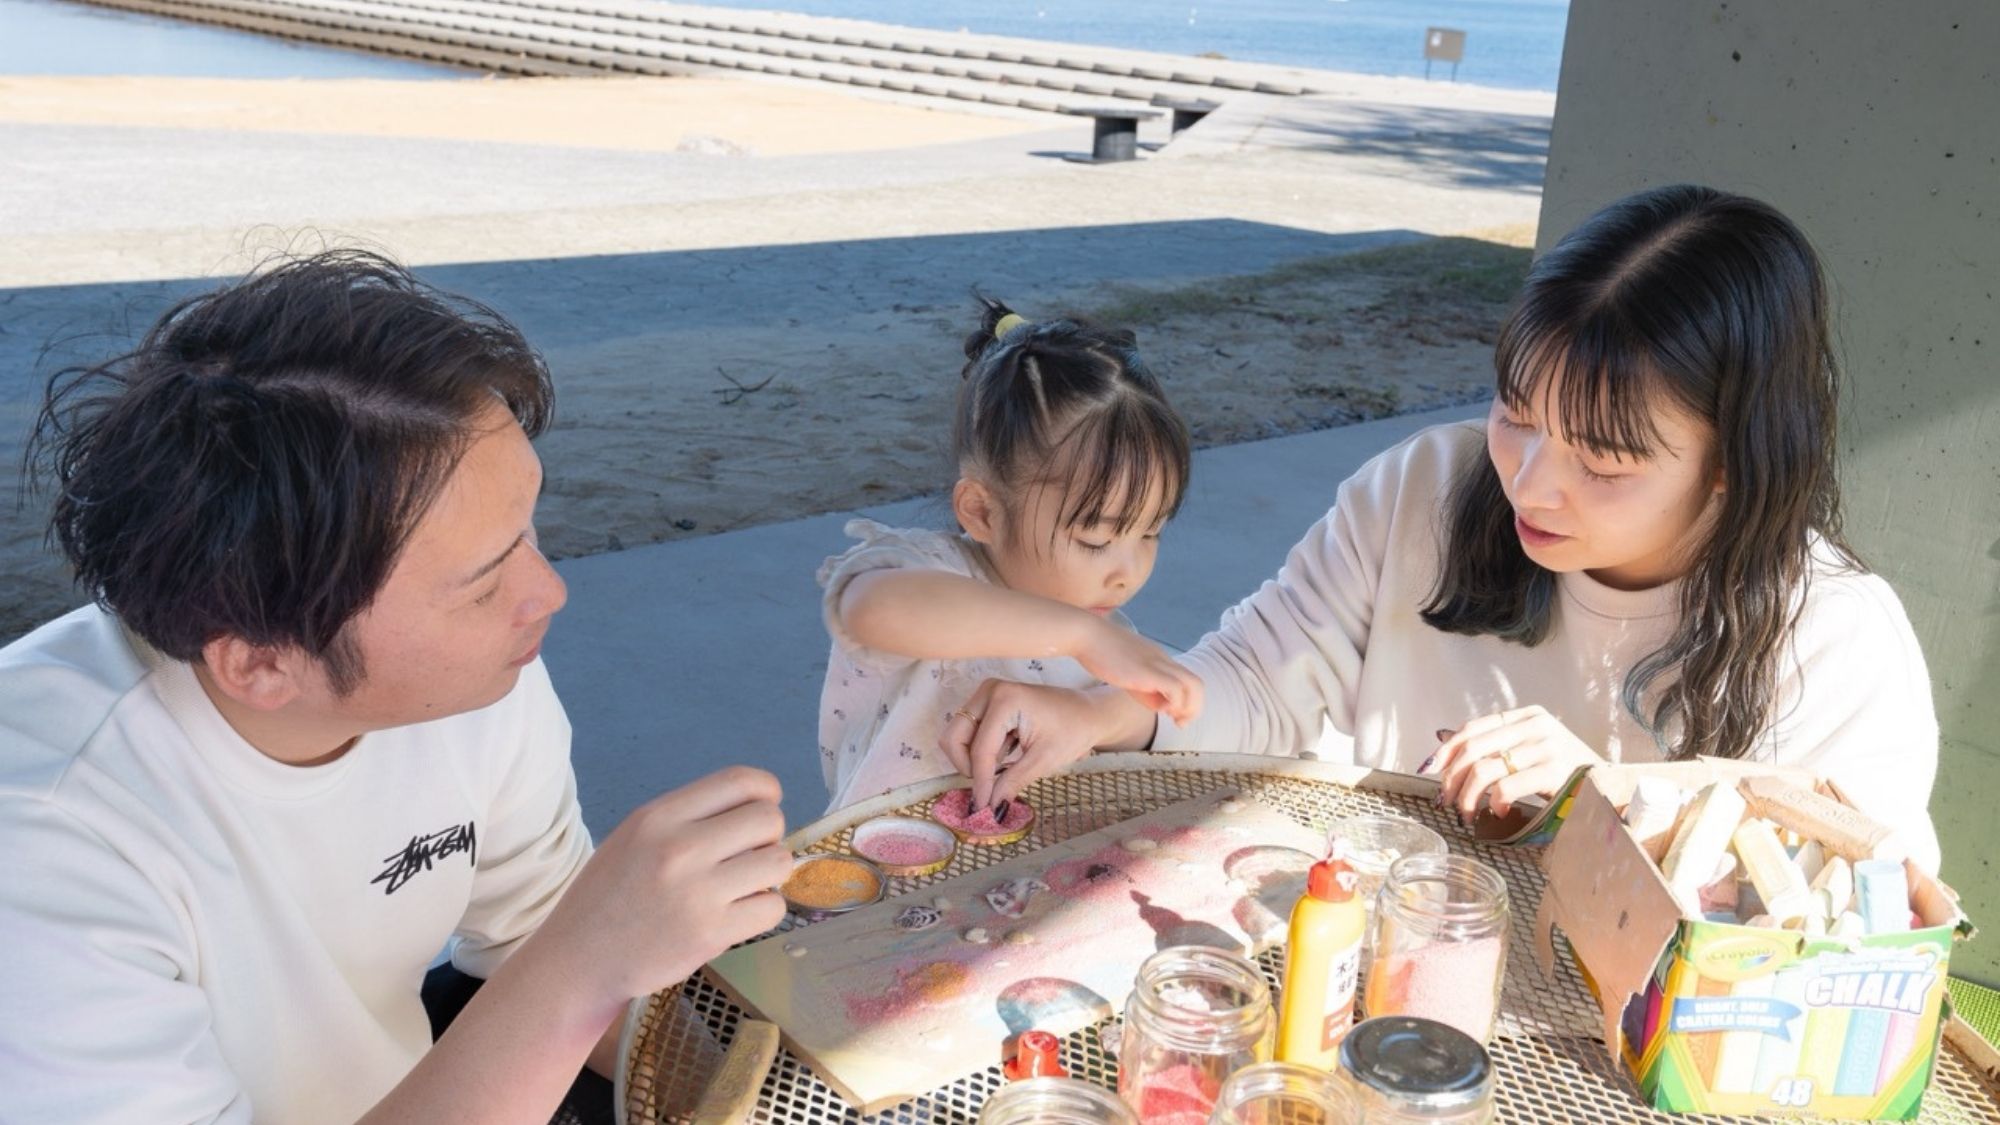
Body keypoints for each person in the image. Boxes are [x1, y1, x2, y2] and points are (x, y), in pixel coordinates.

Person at [0, 252, 793, 1124]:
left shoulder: (476, 677)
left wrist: (754, 1097)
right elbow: (561, 966)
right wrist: (585, 961)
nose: (549, 592)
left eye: (527, 530)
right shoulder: (49, 843)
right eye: (484, 580)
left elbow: (531, 929)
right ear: (263, 662)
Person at [942, 185, 1942, 871]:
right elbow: (1260, 681)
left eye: (1601, 460)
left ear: (1732, 462)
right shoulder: (1424, 487)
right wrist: (1103, 713)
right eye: (1514, 412)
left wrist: (1618, 793)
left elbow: (1867, 886)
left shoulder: (1828, 634)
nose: (1531, 484)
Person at [816, 297, 1204, 811]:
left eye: (1150, 533)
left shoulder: (1103, 632)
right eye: (1095, 540)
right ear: (982, 512)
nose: (1126, 574)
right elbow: (869, 608)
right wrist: (1081, 636)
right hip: (889, 870)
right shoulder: (937, 572)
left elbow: (1127, 723)